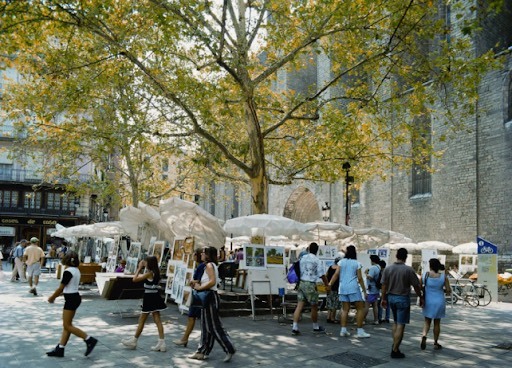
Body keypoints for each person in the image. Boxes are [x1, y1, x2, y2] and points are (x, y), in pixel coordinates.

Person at [46, 251, 98, 357]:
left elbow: (61, 287)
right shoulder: (76, 270)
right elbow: (70, 287)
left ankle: (89, 339)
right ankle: (60, 348)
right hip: (74, 297)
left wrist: (52, 297)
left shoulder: (68, 271)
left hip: (71, 299)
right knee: (67, 325)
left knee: (67, 325)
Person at [189, 246, 236, 362]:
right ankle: (202, 351)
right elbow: (207, 280)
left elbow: (212, 282)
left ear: (208, 254)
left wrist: (199, 288)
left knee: (214, 326)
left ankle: (229, 348)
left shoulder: (209, 265)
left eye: (204, 253)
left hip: (209, 296)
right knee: (205, 325)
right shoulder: (208, 265)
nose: (201, 254)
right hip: (207, 296)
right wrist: (195, 283)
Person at [381, 247, 423, 359]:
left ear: (396, 256)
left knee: (395, 322)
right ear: (406, 257)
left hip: (391, 298)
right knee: (401, 324)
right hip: (403, 298)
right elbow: (416, 286)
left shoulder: (388, 269)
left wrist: (383, 298)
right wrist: (421, 297)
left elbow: (383, 285)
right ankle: (395, 349)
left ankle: (395, 346)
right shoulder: (409, 270)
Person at [122, 256, 167, 352]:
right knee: (157, 320)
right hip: (155, 296)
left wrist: (139, 268)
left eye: (145, 262)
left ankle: (134, 340)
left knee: (142, 320)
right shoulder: (156, 272)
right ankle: (162, 342)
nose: (144, 263)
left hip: (149, 298)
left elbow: (134, 279)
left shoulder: (149, 273)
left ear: (149, 263)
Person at [329, 245, 370, 338]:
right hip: (353, 288)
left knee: (345, 309)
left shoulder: (341, 262)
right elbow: (359, 278)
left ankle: (343, 330)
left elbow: (336, 274)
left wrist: (330, 284)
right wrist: (364, 290)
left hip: (342, 288)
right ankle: (360, 331)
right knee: (360, 308)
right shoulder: (357, 263)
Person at [291, 242, 330, 336]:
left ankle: (294, 326)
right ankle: (315, 326)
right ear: (317, 251)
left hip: (301, 283)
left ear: (308, 249)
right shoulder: (317, 260)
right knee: (314, 306)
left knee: (299, 305)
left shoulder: (302, 258)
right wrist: (327, 285)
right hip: (310, 284)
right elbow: (322, 275)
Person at [173, 249, 206, 347]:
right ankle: (185, 338)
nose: (193, 257)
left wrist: (192, 282)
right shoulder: (202, 266)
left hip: (198, 295)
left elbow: (200, 280)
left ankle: (185, 339)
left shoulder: (201, 266)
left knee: (192, 317)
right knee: (193, 317)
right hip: (199, 294)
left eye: (194, 255)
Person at [420, 258, 451, 351]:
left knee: (427, 321)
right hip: (439, 301)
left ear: (430, 266)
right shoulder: (443, 276)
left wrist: (427, 290)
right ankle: (435, 342)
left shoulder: (425, 275)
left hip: (428, 301)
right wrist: (441, 290)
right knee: (437, 323)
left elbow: (419, 286)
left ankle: (424, 335)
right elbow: (448, 290)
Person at [363, 254, 381, 325]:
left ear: (372, 260)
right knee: (375, 305)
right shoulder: (378, 267)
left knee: (366, 305)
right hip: (376, 289)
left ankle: (363, 319)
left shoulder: (373, 268)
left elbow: (370, 277)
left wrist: (366, 274)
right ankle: (376, 320)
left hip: (371, 289)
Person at [325, 254, 342, 323]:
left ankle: (328, 317)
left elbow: (326, 275)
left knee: (330, 302)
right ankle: (333, 318)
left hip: (329, 287)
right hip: (336, 287)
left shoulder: (330, 267)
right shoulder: (339, 269)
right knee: (335, 303)